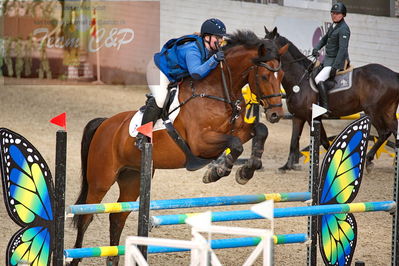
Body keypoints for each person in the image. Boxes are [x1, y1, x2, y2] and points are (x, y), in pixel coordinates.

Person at [136, 18, 227, 148]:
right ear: (207, 37)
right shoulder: (192, 50)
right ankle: (142, 135)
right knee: (161, 99)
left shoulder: (210, 48)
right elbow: (196, 73)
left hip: (176, 75)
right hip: (158, 70)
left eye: (221, 38)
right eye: (217, 38)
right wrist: (215, 59)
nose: (220, 41)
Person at [312, 2, 350, 112]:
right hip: (328, 59)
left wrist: (335, 66)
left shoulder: (344, 29)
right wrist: (316, 48)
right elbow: (324, 39)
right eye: (332, 13)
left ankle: (325, 107)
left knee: (318, 78)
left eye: (337, 13)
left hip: (337, 60)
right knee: (313, 72)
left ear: (343, 15)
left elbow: (342, 50)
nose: (334, 15)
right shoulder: (334, 25)